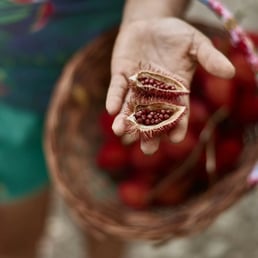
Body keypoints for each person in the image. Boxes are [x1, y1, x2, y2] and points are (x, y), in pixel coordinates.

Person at [0, 1, 235, 258]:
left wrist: (151, 12)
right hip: (8, 98)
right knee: (14, 225)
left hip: (110, 71)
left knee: (105, 211)